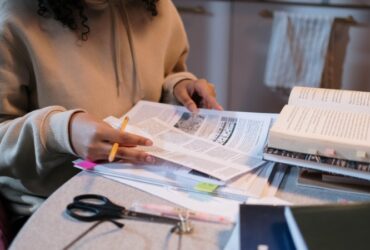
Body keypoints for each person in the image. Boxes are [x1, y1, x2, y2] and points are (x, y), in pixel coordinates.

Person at [0, 0, 222, 237]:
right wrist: (60, 132)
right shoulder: (12, 18)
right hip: (55, 204)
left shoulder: (157, 7)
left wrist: (178, 87)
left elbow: (167, 72)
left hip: (149, 186)